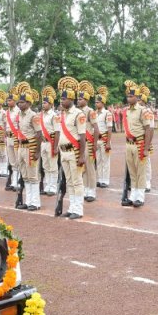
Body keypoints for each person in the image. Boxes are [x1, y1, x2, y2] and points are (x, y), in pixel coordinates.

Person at [54, 77, 87, 219]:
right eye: (61, 99)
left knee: (77, 181)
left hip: (74, 151)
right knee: (69, 181)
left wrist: (81, 155)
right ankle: (72, 207)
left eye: (64, 99)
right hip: (64, 152)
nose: (61, 101)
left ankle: (78, 210)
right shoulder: (62, 115)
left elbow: (82, 136)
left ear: (71, 99)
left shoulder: (78, 114)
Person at [122, 81, 154, 207]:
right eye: (128, 96)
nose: (129, 98)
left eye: (131, 96)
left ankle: (140, 197)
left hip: (139, 143)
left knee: (140, 171)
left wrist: (146, 148)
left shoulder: (143, 111)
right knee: (132, 171)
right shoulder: (126, 111)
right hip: (128, 144)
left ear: (137, 97)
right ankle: (133, 196)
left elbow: (149, 129)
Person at [14, 83, 42, 211]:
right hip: (21, 147)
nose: (19, 104)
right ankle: (28, 201)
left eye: (22, 102)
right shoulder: (19, 115)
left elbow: (38, 134)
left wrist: (37, 151)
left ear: (29, 103)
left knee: (33, 176)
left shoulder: (33, 116)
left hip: (30, 147)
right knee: (24, 175)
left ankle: (35, 203)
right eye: (18, 102)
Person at [77, 80, 98, 202]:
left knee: (90, 167)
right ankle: (85, 188)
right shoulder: (78, 112)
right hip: (81, 143)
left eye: (81, 99)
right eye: (78, 99)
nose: (79, 101)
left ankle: (92, 190)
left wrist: (94, 143)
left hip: (89, 142)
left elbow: (96, 128)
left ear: (86, 100)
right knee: (83, 167)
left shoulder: (90, 111)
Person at [39, 86, 59, 196]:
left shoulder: (54, 116)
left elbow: (57, 132)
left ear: (51, 104)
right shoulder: (40, 115)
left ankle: (53, 187)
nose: (43, 104)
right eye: (43, 103)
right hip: (43, 142)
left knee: (53, 166)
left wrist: (55, 147)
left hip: (51, 142)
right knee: (45, 166)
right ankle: (47, 185)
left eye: (45, 103)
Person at [95, 87, 113, 188]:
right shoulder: (94, 113)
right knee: (98, 160)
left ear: (103, 103)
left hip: (104, 139)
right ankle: (100, 179)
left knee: (105, 161)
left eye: (98, 102)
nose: (96, 104)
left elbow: (109, 128)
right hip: (96, 140)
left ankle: (105, 180)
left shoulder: (107, 113)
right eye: (96, 102)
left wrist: (108, 142)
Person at [4, 90, 21, 191]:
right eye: (7, 100)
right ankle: (14, 181)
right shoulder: (7, 112)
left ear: (15, 101)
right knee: (12, 162)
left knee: (18, 161)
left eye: (10, 100)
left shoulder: (18, 111)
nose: (8, 102)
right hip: (8, 138)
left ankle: (18, 181)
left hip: (15, 137)